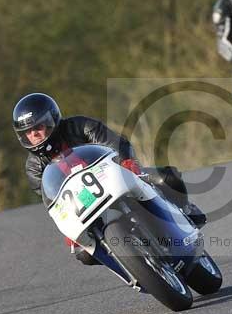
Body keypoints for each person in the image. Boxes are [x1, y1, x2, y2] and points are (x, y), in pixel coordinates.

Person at [12, 93, 206, 264]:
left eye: (38, 126)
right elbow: (53, 203)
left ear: (52, 120)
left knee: (166, 178)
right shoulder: (33, 168)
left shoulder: (79, 126)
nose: (34, 134)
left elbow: (115, 143)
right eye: (27, 132)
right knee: (84, 254)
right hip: (84, 202)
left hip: (117, 175)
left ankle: (185, 210)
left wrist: (127, 162)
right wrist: (69, 229)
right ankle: (131, 266)